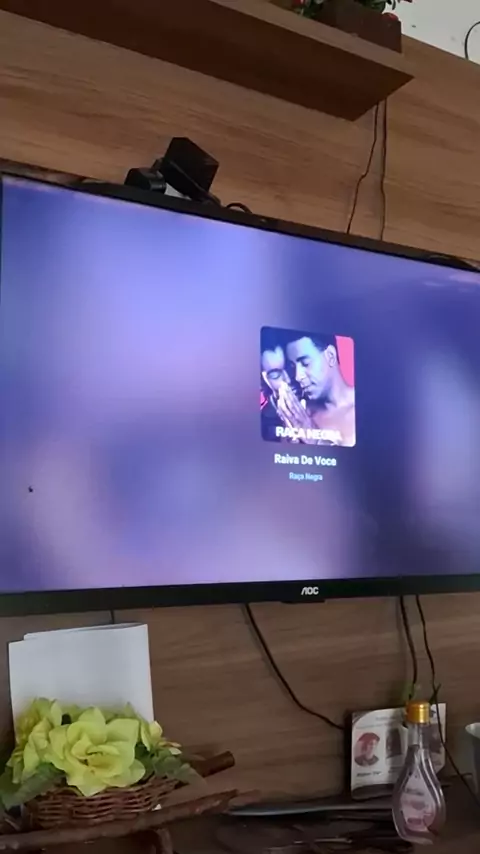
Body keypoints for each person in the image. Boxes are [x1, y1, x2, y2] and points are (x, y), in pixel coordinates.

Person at [277, 331, 356, 447]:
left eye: (305, 363)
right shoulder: (299, 414)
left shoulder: (369, 408)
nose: (298, 376)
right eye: (293, 367)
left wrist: (313, 437)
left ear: (330, 356)